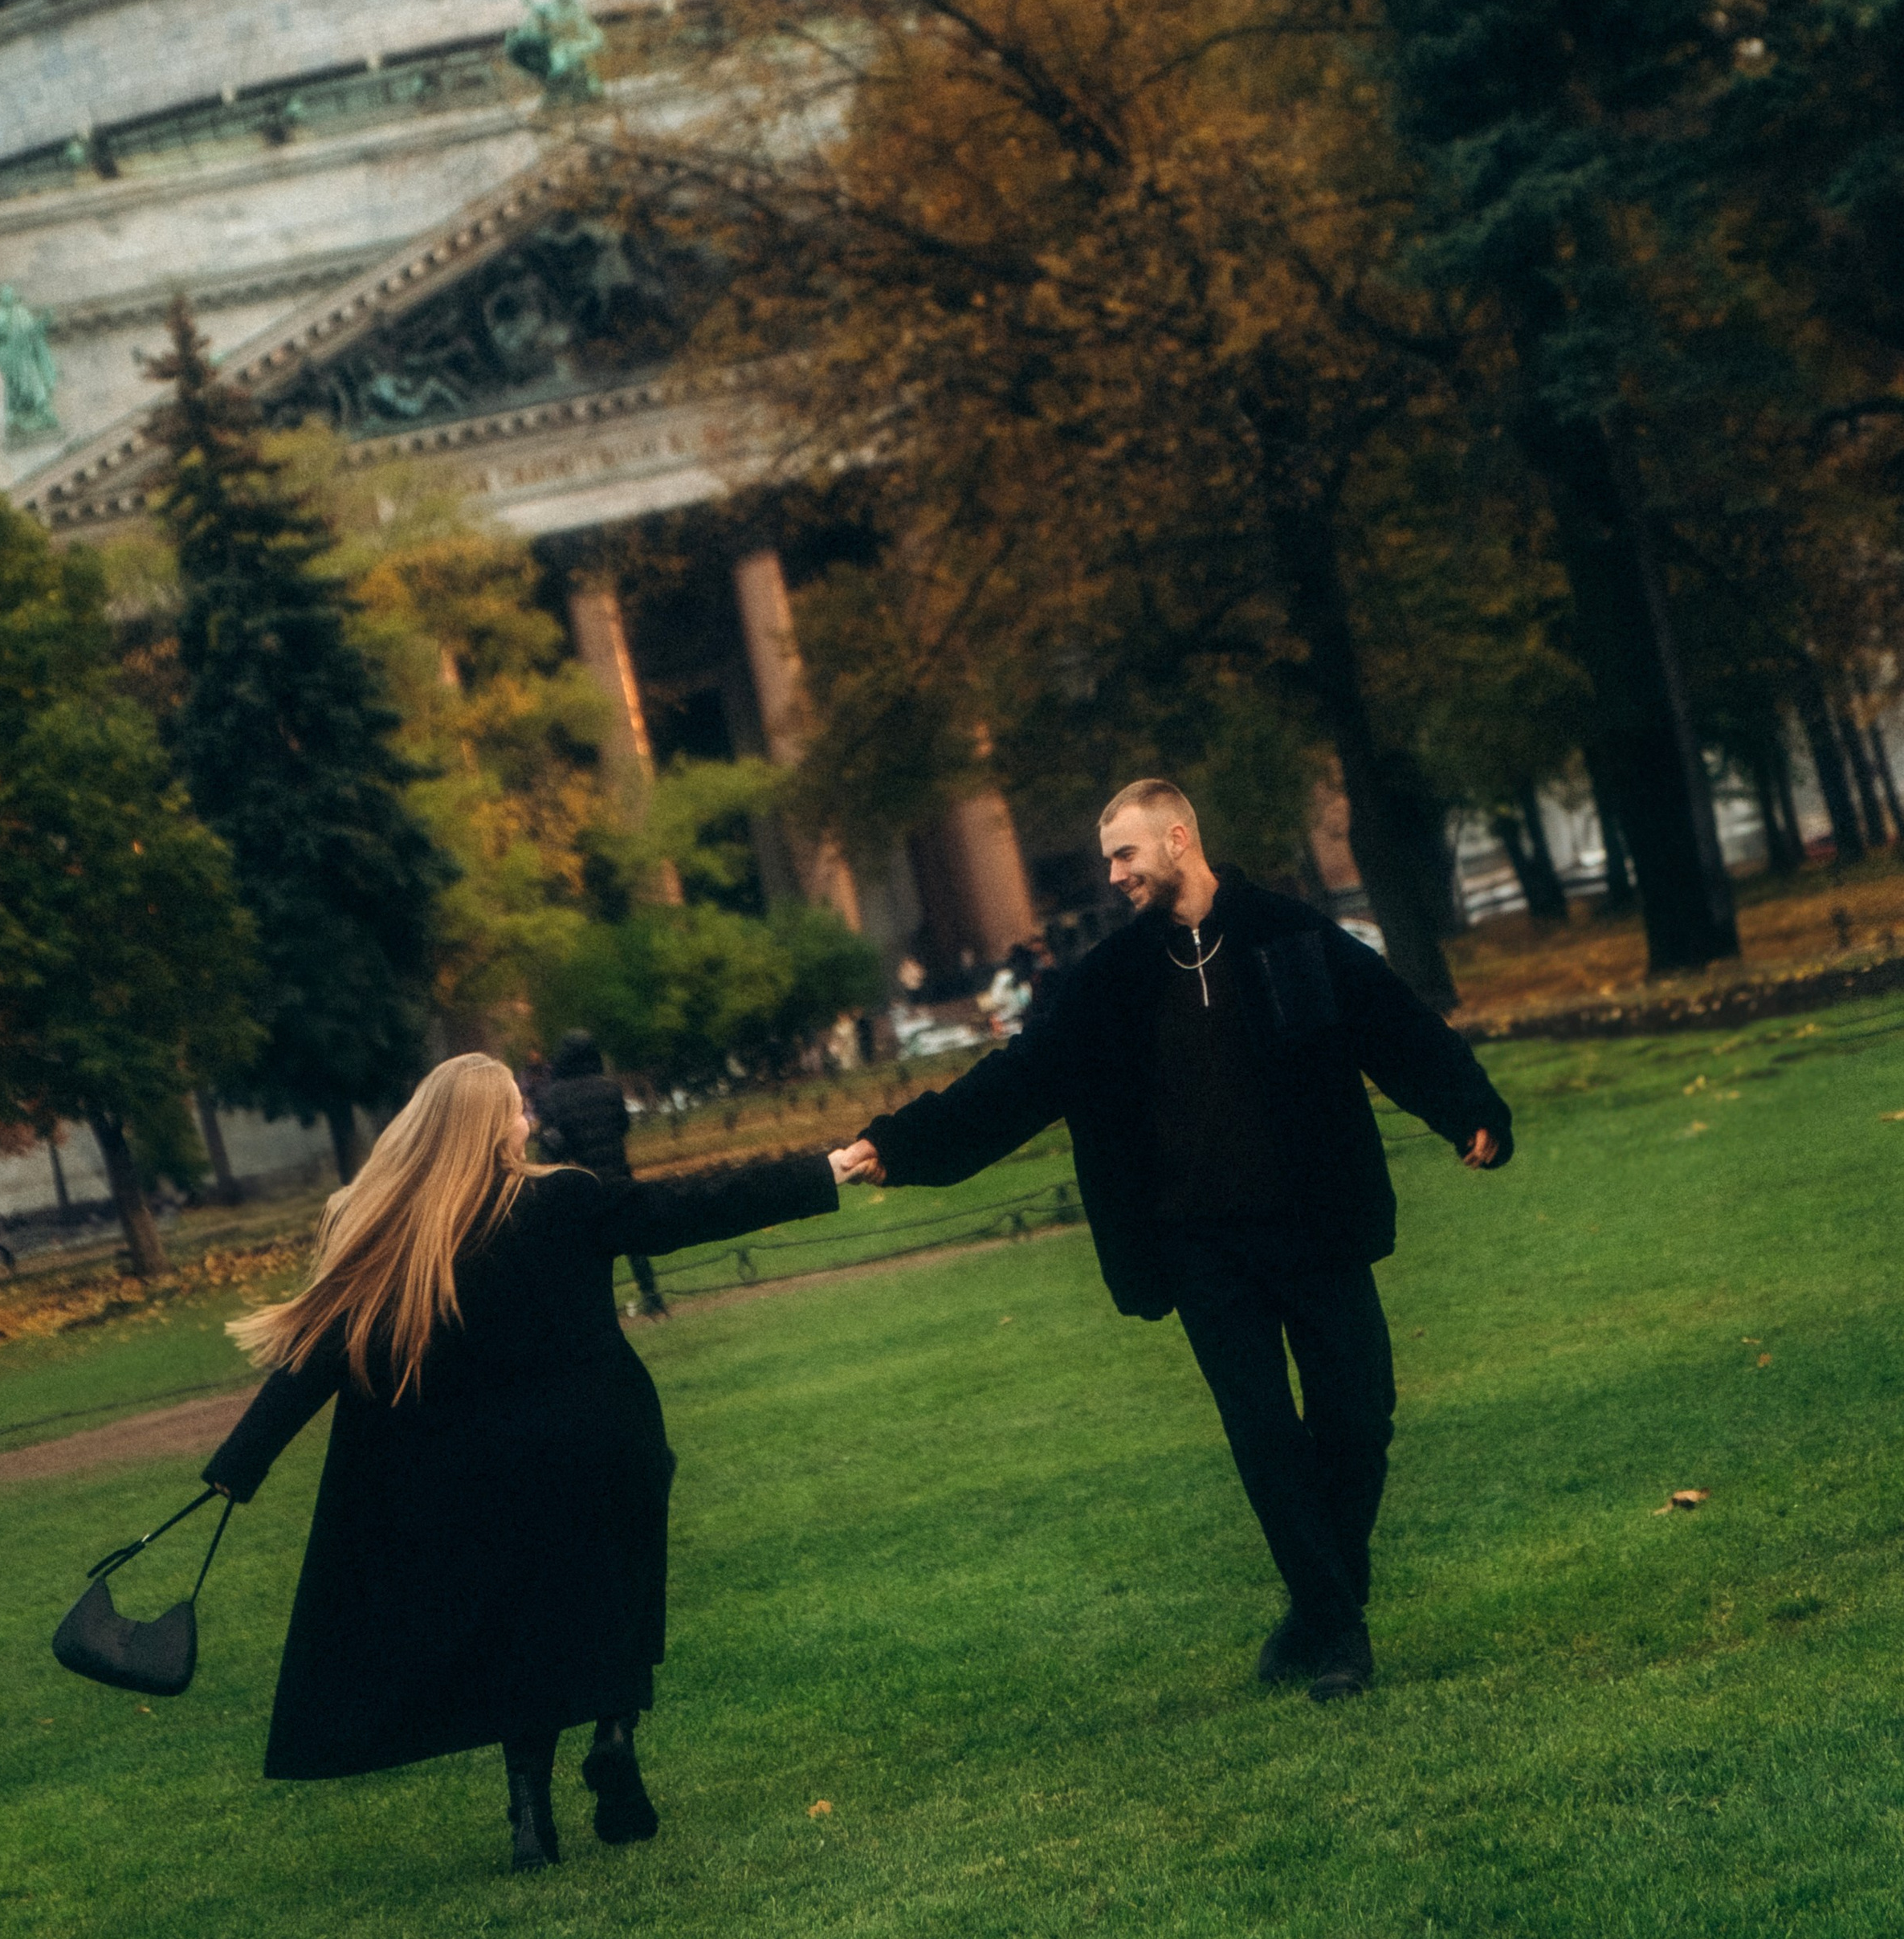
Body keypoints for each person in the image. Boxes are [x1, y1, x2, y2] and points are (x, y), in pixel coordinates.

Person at [838, 779, 1512, 1704]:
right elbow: (1017, 1081)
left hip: (1316, 1227)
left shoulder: (1289, 933)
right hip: (1200, 1251)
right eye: (1108, 858)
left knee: (1360, 1417)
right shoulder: (1107, 984)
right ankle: (1341, 1640)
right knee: (1265, 1438)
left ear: (1179, 839)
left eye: (1124, 855)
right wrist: (900, 1144)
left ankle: (1316, 1612)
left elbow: (1394, 1027)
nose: (1112, 875)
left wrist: (1468, 1109)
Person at [203, 1054, 866, 1873]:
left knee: (522, 1628)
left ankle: (528, 1811)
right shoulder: (565, 1199)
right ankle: (615, 1736)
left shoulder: (394, 1233)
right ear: (491, 1126)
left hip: (481, 1470)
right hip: (601, 1441)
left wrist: (240, 1463)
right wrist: (820, 1171)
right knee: (615, 1594)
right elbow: (688, 1206)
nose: (527, 1120)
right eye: (516, 1108)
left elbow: (314, 1359)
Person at [537, 1030, 667, 1317]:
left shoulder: (554, 1095)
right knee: (635, 1240)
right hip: (618, 1174)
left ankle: (592, 1308)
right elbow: (622, 1126)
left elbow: (553, 1143)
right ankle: (652, 1295)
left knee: (585, 1247)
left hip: (582, 1181)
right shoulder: (609, 1089)